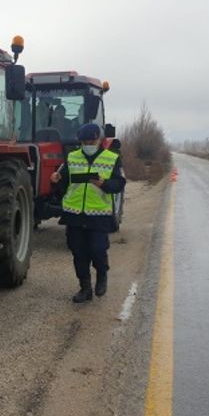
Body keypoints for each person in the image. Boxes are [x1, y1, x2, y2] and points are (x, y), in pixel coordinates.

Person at [50, 123, 126, 303]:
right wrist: (56, 181)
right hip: (74, 214)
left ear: (99, 139)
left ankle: (101, 275)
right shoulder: (72, 157)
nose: (87, 144)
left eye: (91, 140)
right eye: (84, 141)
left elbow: (120, 183)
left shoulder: (111, 158)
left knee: (98, 249)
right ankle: (85, 288)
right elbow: (63, 183)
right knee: (78, 252)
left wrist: (104, 185)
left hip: (99, 215)